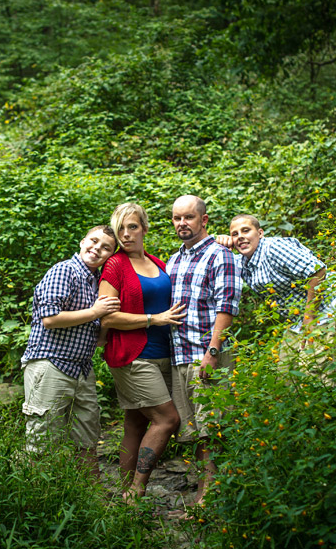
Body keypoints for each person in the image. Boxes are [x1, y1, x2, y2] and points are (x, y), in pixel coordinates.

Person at [98, 203, 185, 501]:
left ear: (145, 228)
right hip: (133, 356)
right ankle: (136, 489)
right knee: (167, 420)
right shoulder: (115, 265)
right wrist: (153, 319)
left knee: (135, 424)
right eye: (120, 228)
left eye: (132, 226)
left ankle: (125, 496)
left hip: (164, 353)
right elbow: (107, 317)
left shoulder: (158, 263)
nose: (125, 234)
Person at [20, 225, 120, 476]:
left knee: (87, 438)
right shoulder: (65, 271)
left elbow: (97, 337)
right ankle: (37, 499)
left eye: (106, 247)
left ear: (111, 255)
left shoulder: (97, 282)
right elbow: (50, 318)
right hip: (50, 364)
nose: (97, 248)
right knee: (42, 442)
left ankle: (92, 498)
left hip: (82, 369)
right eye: (93, 241)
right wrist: (96, 313)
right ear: (82, 241)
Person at [167, 195, 241, 506]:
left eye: (188, 217)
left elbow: (226, 307)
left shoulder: (219, 255)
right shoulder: (173, 260)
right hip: (180, 356)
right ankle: (205, 492)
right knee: (195, 431)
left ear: (204, 220)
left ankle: (209, 499)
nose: (182, 223)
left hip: (205, 354)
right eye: (176, 218)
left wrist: (212, 352)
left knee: (212, 428)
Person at [217, 214, 336, 379]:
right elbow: (207, 249)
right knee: (287, 376)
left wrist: (309, 319)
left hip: (327, 312)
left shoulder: (274, 248)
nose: (240, 237)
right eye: (235, 234)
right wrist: (219, 242)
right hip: (298, 321)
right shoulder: (244, 262)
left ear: (260, 233)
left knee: (316, 376)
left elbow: (318, 271)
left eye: (246, 230)